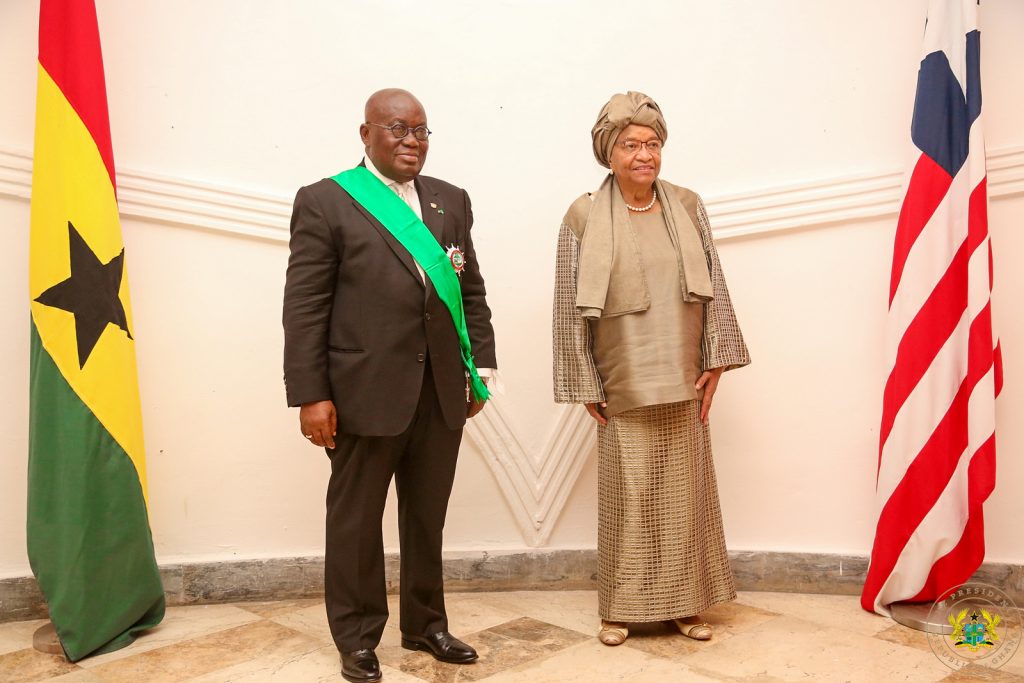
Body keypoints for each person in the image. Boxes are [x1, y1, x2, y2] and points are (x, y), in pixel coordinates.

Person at [283, 88, 497, 683]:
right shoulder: (326, 201)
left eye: (422, 131)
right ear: (366, 133)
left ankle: (425, 625)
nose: (412, 142)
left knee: (427, 516)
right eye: (399, 129)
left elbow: (470, 291)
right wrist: (311, 393)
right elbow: (304, 306)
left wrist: (480, 369)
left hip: (441, 391)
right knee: (355, 522)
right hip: (361, 393)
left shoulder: (450, 201)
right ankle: (356, 637)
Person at [552, 91, 750, 646]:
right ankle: (619, 609)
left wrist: (716, 362)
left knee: (683, 494)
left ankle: (685, 604)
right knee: (628, 496)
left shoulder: (687, 205)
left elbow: (715, 286)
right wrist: (583, 380)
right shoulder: (583, 214)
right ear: (609, 153)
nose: (645, 154)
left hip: (684, 373)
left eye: (653, 143)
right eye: (632, 144)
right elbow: (569, 300)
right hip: (622, 379)